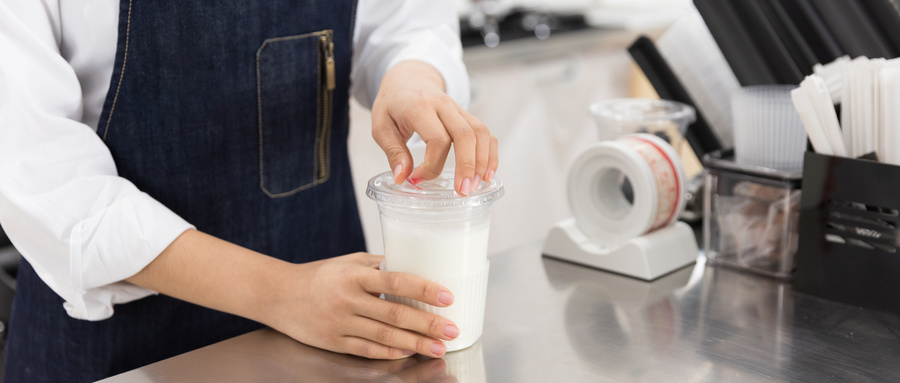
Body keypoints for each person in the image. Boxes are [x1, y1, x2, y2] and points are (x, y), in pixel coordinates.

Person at [0, 0, 498, 381]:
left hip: (332, 327)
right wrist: (283, 293)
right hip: (122, 351)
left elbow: (405, 20)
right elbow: (43, 178)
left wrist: (412, 77)